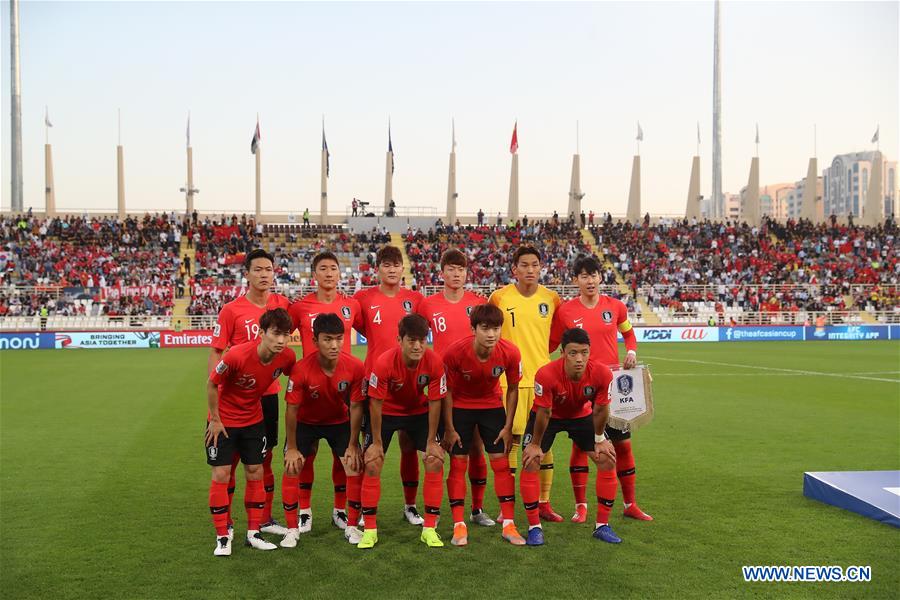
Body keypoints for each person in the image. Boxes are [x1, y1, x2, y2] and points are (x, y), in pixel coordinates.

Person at [549, 254, 651, 523]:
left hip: (613, 388)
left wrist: (630, 351)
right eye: (584, 276)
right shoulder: (566, 311)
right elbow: (550, 343)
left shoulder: (615, 307)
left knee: (624, 447)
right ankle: (580, 506)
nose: (590, 280)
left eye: (593, 275)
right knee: (581, 448)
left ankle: (630, 504)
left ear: (600, 277)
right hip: (580, 387)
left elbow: (628, 334)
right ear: (575, 280)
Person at [209, 249, 292, 539]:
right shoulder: (232, 310)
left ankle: (265, 518)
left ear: (274, 272)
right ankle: (228, 523)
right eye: (257, 270)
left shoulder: (282, 304)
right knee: (228, 462)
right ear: (247, 274)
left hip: (267, 395)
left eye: (268, 269)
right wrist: (216, 403)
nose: (263, 275)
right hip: (235, 399)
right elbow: (217, 352)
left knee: (264, 458)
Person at [206, 308, 297, 556]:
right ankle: (223, 536)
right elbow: (212, 383)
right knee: (222, 473)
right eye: (276, 334)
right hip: (223, 422)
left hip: (253, 421)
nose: (280, 340)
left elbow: (297, 376)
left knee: (256, 471)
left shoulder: (287, 357)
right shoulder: (237, 355)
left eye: (286, 335)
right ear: (261, 332)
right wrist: (214, 419)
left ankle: (253, 533)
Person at [352, 314, 447, 549]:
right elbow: (374, 403)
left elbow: (435, 402)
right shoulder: (384, 362)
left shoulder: (434, 362)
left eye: (422, 340)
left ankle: (430, 528)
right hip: (385, 413)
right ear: (400, 339)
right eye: (411, 340)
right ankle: (370, 529)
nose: (417, 346)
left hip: (417, 411)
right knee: (373, 461)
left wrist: (432, 440)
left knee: (434, 460)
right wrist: (375, 441)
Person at [520, 327, 617, 546]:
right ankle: (534, 528)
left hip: (581, 416)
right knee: (531, 461)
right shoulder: (546, 374)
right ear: (562, 352)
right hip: (549, 416)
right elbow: (543, 412)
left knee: (607, 459)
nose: (579, 359)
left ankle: (602, 525)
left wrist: (600, 439)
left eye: (584, 352)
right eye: (573, 353)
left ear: (590, 351)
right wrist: (535, 445)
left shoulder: (602, 373)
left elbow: (601, 409)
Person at [287, 251, 362, 531]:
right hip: (309, 392)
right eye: (323, 269)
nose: (329, 273)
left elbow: (375, 331)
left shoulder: (352, 305)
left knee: (343, 456)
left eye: (333, 268)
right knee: (308, 453)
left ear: (340, 274)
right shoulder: (300, 307)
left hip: (343, 393)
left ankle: (339, 510)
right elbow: (281, 333)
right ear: (314, 275)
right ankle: (304, 510)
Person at [418, 249, 492, 527]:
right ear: (442, 273)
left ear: (467, 273)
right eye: (451, 269)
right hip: (440, 386)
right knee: (438, 451)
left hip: (473, 388)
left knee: (475, 447)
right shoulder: (427, 305)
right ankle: (431, 513)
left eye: (461, 269)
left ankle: (477, 509)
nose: (456, 274)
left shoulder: (479, 303)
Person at [353, 245, 426, 526]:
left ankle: (410, 506)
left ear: (403, 268)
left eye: (397, 264)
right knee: (370, 450)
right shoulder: (363, 298)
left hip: (410, 390)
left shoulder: (416, 300)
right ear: (378, 269)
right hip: (376, 389)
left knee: (409, 448)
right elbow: (362, 328)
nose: (392, 269)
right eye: (387, 264)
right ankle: (362, 510)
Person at [488, 246, 563, 522]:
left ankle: (543, 502)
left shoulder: (551, 298)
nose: (530, 270)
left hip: (543, 381)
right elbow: (490, 332)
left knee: (544, 443)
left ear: (541, 268)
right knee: (512, 441)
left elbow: (557, 337)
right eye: (524, 265)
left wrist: (543, 355)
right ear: (514, 270)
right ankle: (505, 505)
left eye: (535, 265)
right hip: (511, 382)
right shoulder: (499, 297)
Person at [442, 304, 526, 546]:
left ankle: (509, 523)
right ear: (474, 329)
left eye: (496, 328)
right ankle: (459, 525)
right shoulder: (455, 352)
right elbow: (445, 391)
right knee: (458, 464)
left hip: (492, 407)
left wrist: (508, 426)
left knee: (501, 464)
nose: (491, 334)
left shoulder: (510, 352)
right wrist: (448, 427)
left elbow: (512, 388)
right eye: (485, 328)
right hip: (460, 407)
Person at [281, 313, 367, 547]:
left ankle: (349, 523)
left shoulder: (355, 366)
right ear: (315, 339)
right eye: (328, 339)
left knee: (353, 464)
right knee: (293, 465)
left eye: (339, 339)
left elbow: (357, 406)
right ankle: (295, 525)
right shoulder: (301, 369)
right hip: (306, 422)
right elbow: (291, 410)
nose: (334, 345)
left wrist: (352, 444)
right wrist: (292, 447)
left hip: (339, 422)